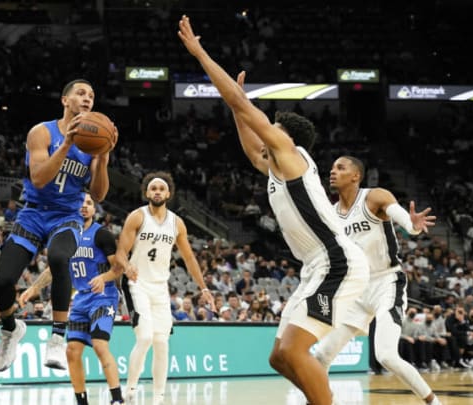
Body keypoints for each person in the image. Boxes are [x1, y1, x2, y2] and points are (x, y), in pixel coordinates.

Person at [178, 16, 369, 405]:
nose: (266, 132)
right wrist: (238, 107)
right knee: (279, 357)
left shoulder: (292, 155)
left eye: (273, 128)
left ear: (287, 138)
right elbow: (249, 142)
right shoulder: (275, 165)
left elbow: (243, 109)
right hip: (315, 265)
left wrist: (199, 53)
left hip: (336, 262)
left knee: (295, 352)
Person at [0, 77, 116, 372]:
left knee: (60, 258)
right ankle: (10, 329)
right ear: (65, 100)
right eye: (81, 93)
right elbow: (38, 178)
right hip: (33, 213)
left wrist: (104, 159)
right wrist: (67, 144)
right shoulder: (42, 132)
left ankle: (57, 339)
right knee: (2, 282)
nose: (87, 98)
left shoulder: (93, 145)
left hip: (67, 216)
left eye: (92, 95)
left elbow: (97, 195)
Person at [310, 156, 441, 404]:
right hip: (356, 290)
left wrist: (412, 226)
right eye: (331, 168)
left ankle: (435, 402)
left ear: (356, 176)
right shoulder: (331, 214)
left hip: (386, 283)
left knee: (386, 355)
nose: (332, 172)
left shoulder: (374, 197)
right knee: (321, 356)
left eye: (340, 167)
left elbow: (406, 222)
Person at [114, 172, 214, 405]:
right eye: (153, 188)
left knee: (162, 342)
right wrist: (127, 266)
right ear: (146, 193)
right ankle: (130, 390)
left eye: (161, 189)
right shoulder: (136, 217)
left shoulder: (177, 223)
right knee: (146, 337)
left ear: (168, 194)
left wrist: (204, 288)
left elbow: (189, 258)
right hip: (137, 284)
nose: (157, 191)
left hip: (160, 287)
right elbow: (121, 252)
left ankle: (158, 398)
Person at [20, 193, 125, 405]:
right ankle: (82, 401)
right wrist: (33, 288)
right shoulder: (66, 235)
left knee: (99, 344)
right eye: (81, 203)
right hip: (80, 299)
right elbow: (53, 269)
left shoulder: (101, 235)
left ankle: (117, 399)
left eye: (89, 203)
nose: (84, 206)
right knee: (71, 351)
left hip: (103, 297)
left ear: (94, 210)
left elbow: (119, 268)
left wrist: (103, 277)